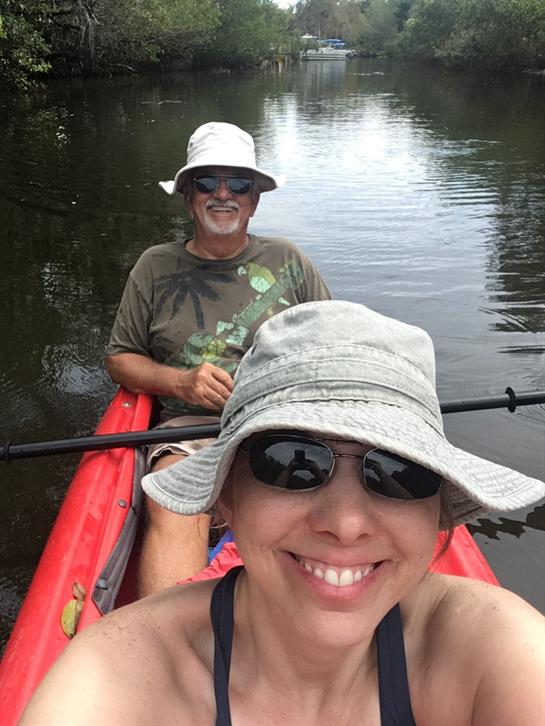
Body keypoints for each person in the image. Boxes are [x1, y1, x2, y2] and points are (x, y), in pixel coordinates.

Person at [22, 301, 545, 725]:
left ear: (436, 509)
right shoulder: (115, 682)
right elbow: (122, 359)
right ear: (225, 492)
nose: (344, 524)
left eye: (400, 472)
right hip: (186, 415)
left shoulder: (500, 652)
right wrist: (180, 382)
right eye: (290, 462)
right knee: (169, 512)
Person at [105, 121, 331, 596]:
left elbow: (333, 350)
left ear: (255, 199)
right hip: (192, 433)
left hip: (283, 427)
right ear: (188, 196)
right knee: (174, 500)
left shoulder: (289, 261)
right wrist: (182, 383)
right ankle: (173, 644)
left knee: (336, 505)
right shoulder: (154, 266)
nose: (222, 194)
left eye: (238, 184)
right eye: (208, 182)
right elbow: (121, 360)